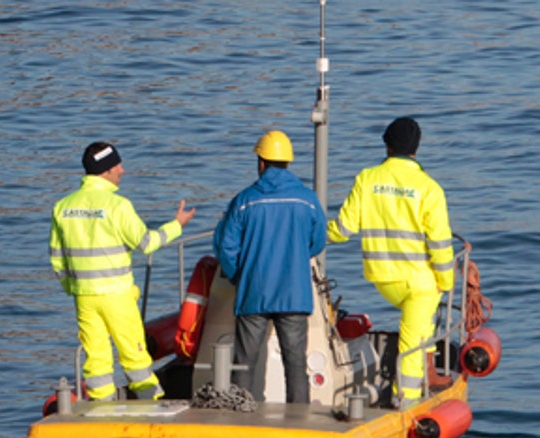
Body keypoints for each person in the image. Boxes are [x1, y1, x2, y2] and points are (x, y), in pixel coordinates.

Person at [50, 141, 196, 401]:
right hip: (116, 295)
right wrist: (177, 225)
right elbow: (147, 243)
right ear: (105, 170)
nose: (122, 170)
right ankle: (152, 406)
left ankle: (101, 410)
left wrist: (73, 288)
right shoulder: (118, 206)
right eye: (117, 165)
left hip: (84, 297)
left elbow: (57, 258)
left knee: (96, 361)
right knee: (135, 357)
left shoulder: (63, 207)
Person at [327, 117, 455, 405]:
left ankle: (430, 371)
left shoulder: (366, 179)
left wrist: (315, 236)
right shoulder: (429, 188)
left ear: (387, 145)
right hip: (418, 282)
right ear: (416, 149)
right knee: (412, 339)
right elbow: (440, 245)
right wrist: (446, 282)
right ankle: (406, 403)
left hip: (382, 277)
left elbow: (343, 229)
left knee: (421, 322)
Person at [212, 130, 327, 403]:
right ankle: (299, 419)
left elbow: (225, 246)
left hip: (254, 291)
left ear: (261, 163)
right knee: (296, 365)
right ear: (288, 162)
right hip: (294, 294)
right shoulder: (307, 200)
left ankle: (241, 413)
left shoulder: (244, 201)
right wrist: (295, 260)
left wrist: (240, 274)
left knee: (244, 364)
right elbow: (318, 242)